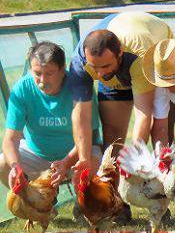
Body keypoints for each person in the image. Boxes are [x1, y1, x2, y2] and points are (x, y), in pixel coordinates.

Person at [68, 11, 172, 222]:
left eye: (105, 66)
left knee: (159, 135)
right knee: (112, 140)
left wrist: (132, 160)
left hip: (155, 55)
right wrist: (84, 158)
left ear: (120, 53)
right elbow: (80, 114)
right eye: (94, 68)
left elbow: (144, 113)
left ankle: (160, 201)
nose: (99, 74)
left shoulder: (139, 53)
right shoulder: (80, 62)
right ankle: (114, 203)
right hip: (120, 71)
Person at [0, 42, 102, 219]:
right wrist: (16, 167)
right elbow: (10, 139)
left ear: (62, 70)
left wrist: (66, 163)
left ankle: (83, 207)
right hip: (37, 155)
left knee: (92, 160)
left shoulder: (79, 87)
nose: (42, 80)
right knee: (3, 164)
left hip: (76, 155)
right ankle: (40, 207)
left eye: (49, 73)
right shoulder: (21, 89)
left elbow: (89, 136)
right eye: (37, 73)